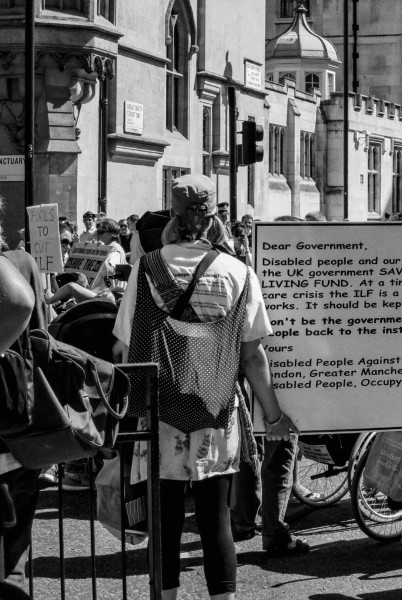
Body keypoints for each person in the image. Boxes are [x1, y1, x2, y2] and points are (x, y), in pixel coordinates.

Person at [113, 174, 293, 600]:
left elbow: (123, 349)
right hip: (216, 411)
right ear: (214, 221)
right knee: (216, 522)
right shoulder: (239, 272)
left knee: (167, 520)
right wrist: (274, 416)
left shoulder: (147, 269)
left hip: (160, 412)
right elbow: (252, 356)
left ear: (171, 218)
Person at [230, 211, 313, 557]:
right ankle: (274, 532)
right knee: (279, 451)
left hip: (247, 379)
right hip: (278, 381)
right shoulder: (300, 280)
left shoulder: (249, 275)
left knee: (249, 449)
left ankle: (242, 521)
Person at [0, 199, 45, 591]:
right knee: (13, 551)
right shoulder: (23, 262)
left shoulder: (18, 264)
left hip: (15, 412)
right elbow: (41, 336)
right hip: (18, 410)